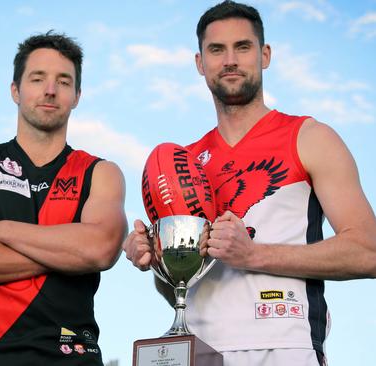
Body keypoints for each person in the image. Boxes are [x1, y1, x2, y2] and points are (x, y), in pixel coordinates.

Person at [123, 1, 376, 366]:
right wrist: (160, 261)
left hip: (285, 347)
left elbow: (368, 250)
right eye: (216, 49)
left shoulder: (308, 137)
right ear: (200, 63)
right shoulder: (185, 162)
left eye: (242, 47)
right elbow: (181, 288)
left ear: (265, 55)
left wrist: (254, 255)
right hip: (198, 349)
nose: (230, 60)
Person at [0, 31, 127, 366]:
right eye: (38, 78)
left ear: (77, 95)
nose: (50, 90)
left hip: (73, 357)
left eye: (64, 81)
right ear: (15, 91)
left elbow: (100, 249)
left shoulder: (100, 172)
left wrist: (1, 231)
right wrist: (67, 254)